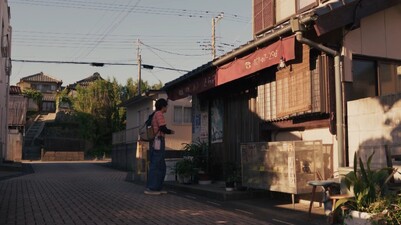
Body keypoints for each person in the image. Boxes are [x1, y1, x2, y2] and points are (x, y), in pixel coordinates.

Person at [145, 98, 175, 195]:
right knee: (157, 164)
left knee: (160, 165)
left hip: (156, 141)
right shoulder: (159, 114)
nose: (167, 108)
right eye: (166, 106)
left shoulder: (155, 114)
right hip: (158, 140)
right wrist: (170, 131)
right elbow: (162, 127)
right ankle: (152, 188)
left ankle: (157, 187)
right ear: (163, 106)